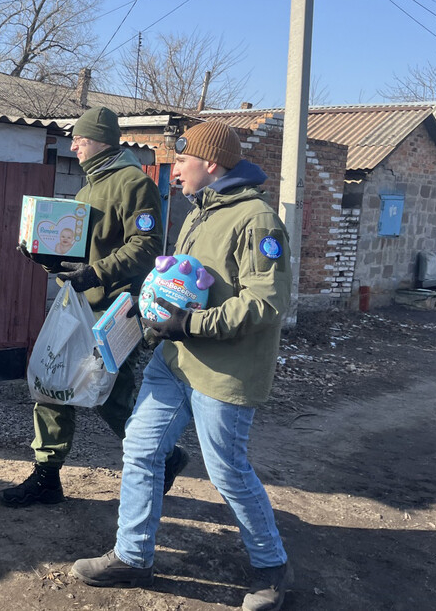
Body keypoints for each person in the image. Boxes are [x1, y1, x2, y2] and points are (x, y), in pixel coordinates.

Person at [70, 121, 294, 611]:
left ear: (211, 164)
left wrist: (188, 323)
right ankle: (132, 556)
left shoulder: (256, 221)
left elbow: (267, 305)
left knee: (227, 470)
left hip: (224, 372)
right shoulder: (198, 213)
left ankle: (271, 568)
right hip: (174, 361)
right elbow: (181, 284)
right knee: (141, 448)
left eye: (183, 162)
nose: (174, 173)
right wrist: (148, 316)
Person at [2, 106, 188, 507]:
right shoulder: (88, 189)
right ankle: (47, 477)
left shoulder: (134, 185)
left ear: (101, 140)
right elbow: (79, 254)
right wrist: (46, 257)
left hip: (120, 309)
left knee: (108, 396)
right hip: (82, 307)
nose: (74, 147)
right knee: (53, 381)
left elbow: (148, 247)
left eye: (80, 140)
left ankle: (166, 457)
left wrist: (97, 273)